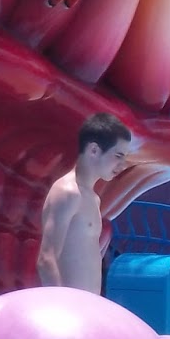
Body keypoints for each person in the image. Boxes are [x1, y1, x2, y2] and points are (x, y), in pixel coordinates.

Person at [37, 112, 132, 295]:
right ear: (94, 150)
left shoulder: (93, 199)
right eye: (118, 156)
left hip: (89, 304)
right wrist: (62, 305)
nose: (123, 165)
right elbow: (46, 259)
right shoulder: (67, 192)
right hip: (69, 307)